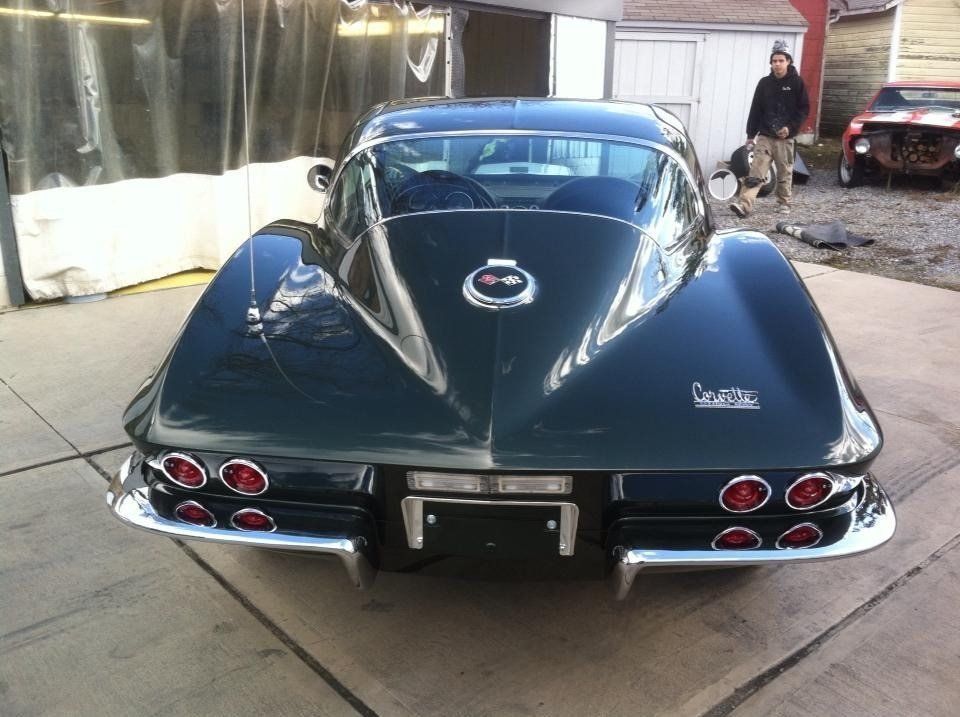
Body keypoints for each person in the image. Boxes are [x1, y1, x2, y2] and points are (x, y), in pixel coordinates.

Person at [730, 40, 810, 218]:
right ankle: (744, 205)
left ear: (788, 61)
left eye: (781, 60)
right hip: (765, 135)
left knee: (784, 172)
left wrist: (790, 127)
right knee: (756, 171)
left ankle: (784, 202)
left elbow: (804, 109)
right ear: (771, 63)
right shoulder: (764, 83)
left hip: (785, 138)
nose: (777, 64)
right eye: (774, 61)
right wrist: (751, 135)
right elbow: (755, 110)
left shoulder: (797, 83)